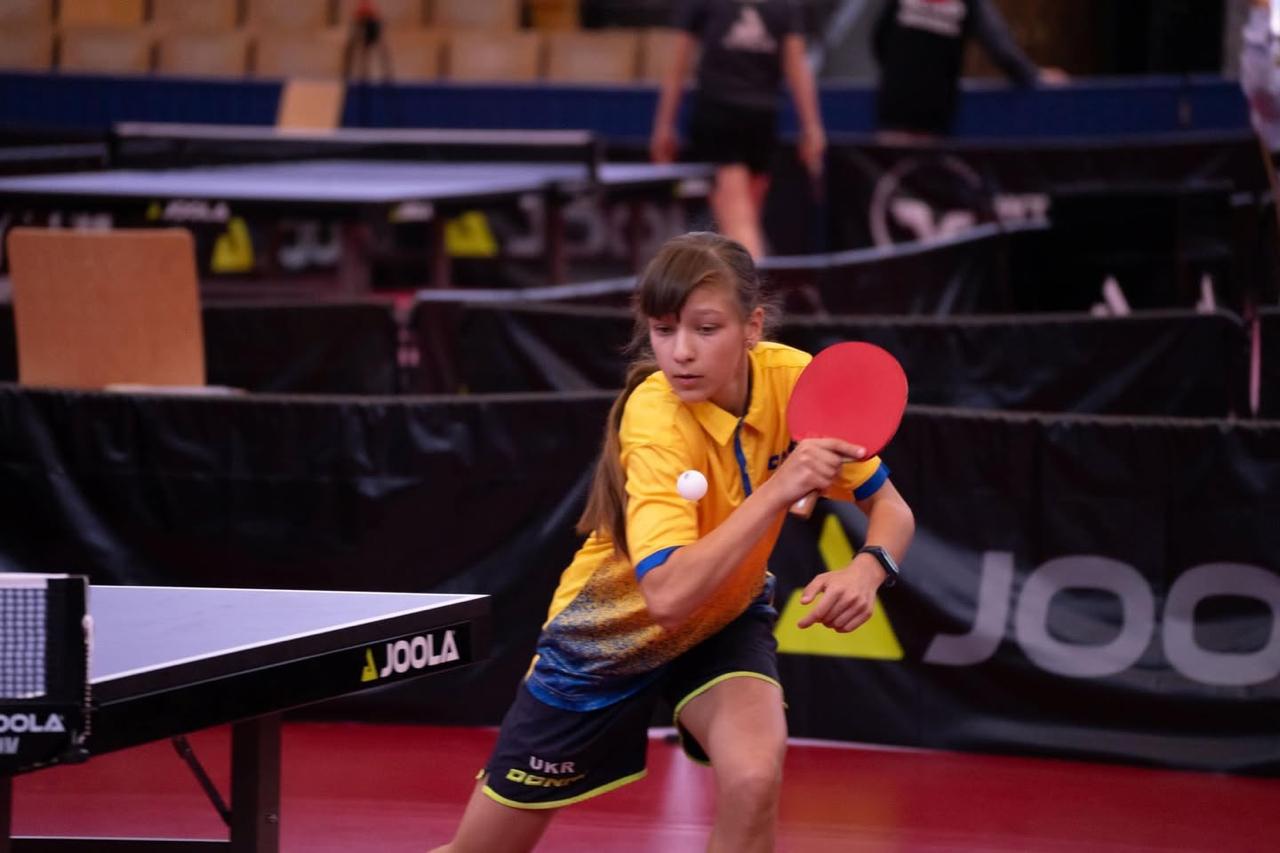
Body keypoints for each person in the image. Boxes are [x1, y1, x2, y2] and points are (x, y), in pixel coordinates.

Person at [430, 231, 915, 853]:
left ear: (752, 326)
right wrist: (778, 489)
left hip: (723, 622)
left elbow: (891, 508)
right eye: (663, 330)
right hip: (606, 638)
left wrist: (868, 569)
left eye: (706, 329)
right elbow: (664, 596)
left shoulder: (794, 382)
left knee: (754, 778)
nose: (681, 352)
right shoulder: (655, 417)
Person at [650, 2, 827, 259]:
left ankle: (751, 280)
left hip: (748, 120)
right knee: (741, 221)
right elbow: (797, 66)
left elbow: (796, 66)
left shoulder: (786, 6)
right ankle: (747, 276)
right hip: (731, 121)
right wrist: (811, 128)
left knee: (741, 223)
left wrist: (664, 127)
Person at [873, 0, 1068, 141]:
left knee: (898, 174)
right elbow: (1001, 48)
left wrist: (900, 77)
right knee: (923, 177)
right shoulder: (970, 3)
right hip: (930, 112)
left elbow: (879, 40)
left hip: (898, 108)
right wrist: (1034, 76)